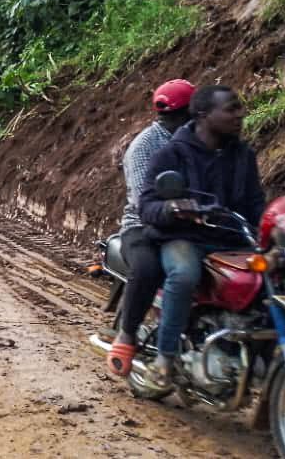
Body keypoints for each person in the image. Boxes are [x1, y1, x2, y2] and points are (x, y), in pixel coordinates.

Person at [137, 85, 266, 387]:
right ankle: (165, 359)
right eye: (231, 108)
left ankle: (256, 354)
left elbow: (255, 203)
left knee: (273, 280)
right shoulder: (171, 154)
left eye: (239, 108)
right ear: (203, 115)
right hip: (184, 237)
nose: (240, 114)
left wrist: (271, 229)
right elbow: (146, 205)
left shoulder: (243, 155)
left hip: (232, 240)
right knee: (183, 275)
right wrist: (173, 208)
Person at [106, 79, 196, 377]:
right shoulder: (144, 147)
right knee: (147, 268)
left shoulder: (203, 143)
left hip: (193, 225)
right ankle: (128, 335)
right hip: (142, 225)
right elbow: (142, 200)